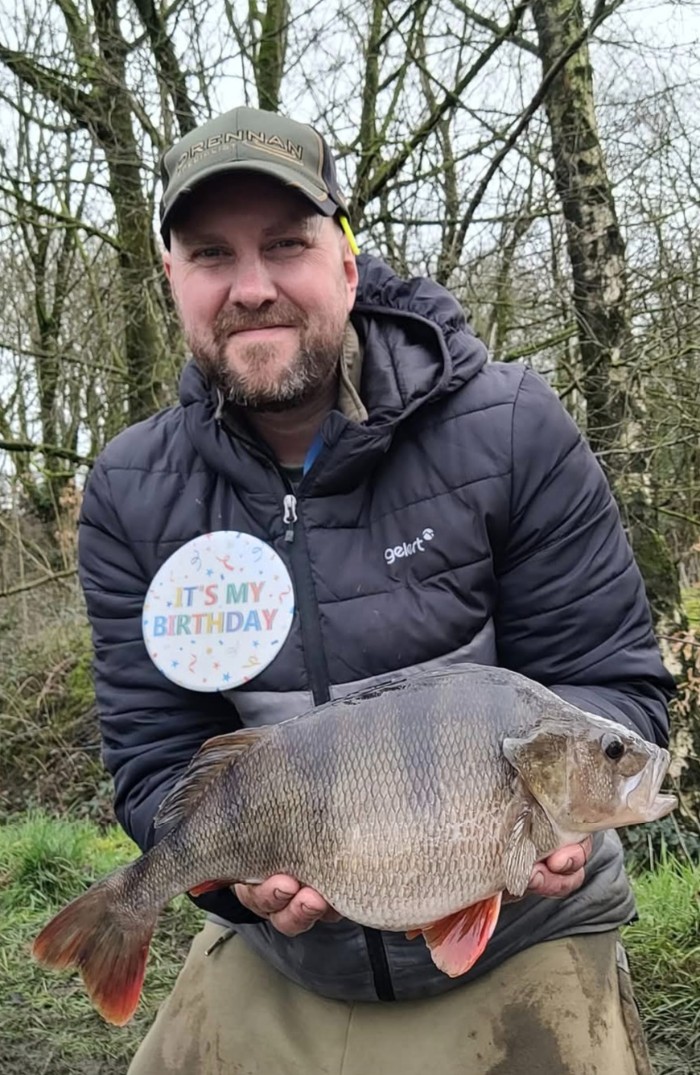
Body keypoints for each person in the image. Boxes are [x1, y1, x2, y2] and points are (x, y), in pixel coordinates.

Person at [78, 105, 674, 1075]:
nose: (253, 286)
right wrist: (237, 888)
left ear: (348, 263)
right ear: (172, 280)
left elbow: (611, 683)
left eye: (286, 243)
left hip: (524, 939)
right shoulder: (127, 491)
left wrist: (572, 809)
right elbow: (155, 756)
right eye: (212, 254)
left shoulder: (514, 427)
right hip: (281, 953)